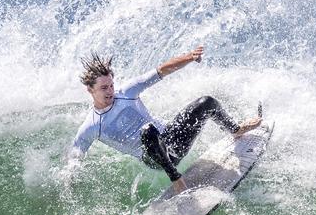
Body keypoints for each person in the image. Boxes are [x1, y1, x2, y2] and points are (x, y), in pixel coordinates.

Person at [68, 46, 262, 194]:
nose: (110, 91)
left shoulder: (126, 92)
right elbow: (76, 153)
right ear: (90, 90)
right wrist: (71, 177)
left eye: (111, 85)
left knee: (206, 102)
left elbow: (160, 71)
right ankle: (177, 181)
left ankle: (236, 130)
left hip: (173, 141)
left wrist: (190, 57)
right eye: (103, 88)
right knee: (148, 131)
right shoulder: (92, 125)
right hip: (155, 159)